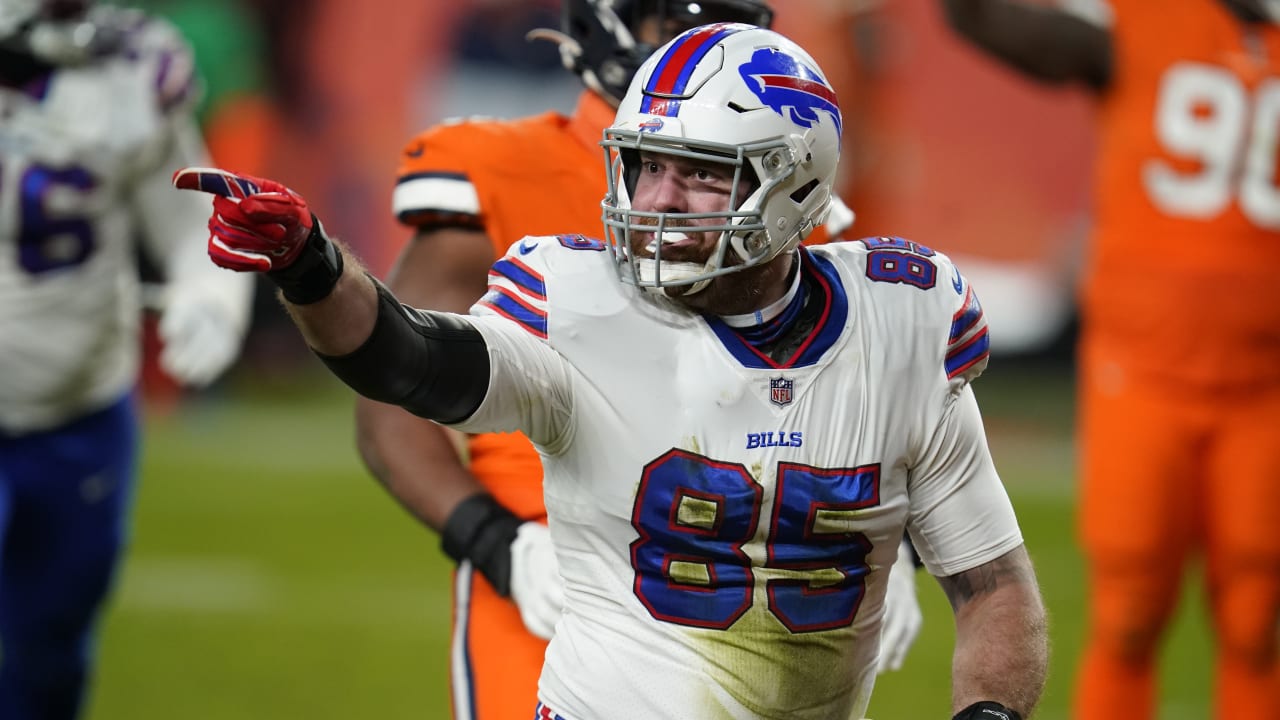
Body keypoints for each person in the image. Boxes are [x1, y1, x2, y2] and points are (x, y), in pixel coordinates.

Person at [175, 22, 1047, 720]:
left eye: (701, 175)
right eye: (646, 166)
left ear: (795, 185)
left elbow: (992, 584)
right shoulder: (579, 305)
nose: (658, 202)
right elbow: (409, 359)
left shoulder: (903, 322)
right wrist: (312, 265)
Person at [365, 2, 920, 717]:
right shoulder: (506, 168)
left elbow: (838, 377)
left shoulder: (769, 172)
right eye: (677, 24)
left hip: (747, 574)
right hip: (555, 577)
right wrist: (496, 541)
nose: (699, 49)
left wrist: (891, 534)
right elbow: (389, 397)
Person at [941, 1, 1280, 718]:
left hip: (1268, 385)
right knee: (1128, 613)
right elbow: (987, 21)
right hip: (1142, 374)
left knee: (1260, 621)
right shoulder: (1149, 19)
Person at [0, 1, 253, 718]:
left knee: (51, 659)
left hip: (79, 412)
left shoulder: (130, 67)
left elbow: (183, 216)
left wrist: (209, 286)